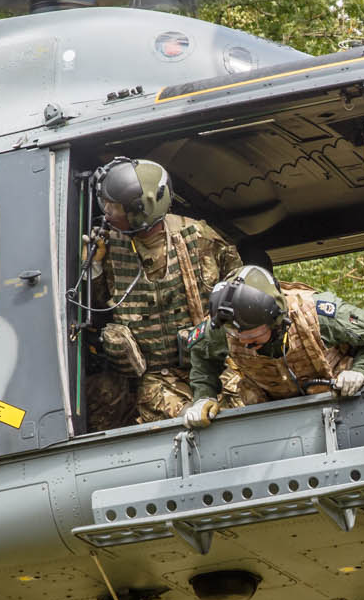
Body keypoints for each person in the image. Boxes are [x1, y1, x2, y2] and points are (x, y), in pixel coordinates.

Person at [82, 157, 243, 428]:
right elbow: (99, 308)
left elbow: (240, 290)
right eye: (106, 203)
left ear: (141, 210)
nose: (107, 212)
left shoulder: (200, 237)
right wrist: (94, 265)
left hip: (212, 365)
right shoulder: (108, 246)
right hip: (155, 379)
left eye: (115, 207)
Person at [181, 266, 364, 428]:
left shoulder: (315, 315)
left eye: (253, 336)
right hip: (274, 418)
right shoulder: (224, 325)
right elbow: (202, 354)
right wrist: (204, 396)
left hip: (341, 408)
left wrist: (362, 372)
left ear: (275, 319)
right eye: (237, 337)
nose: (244, 343)